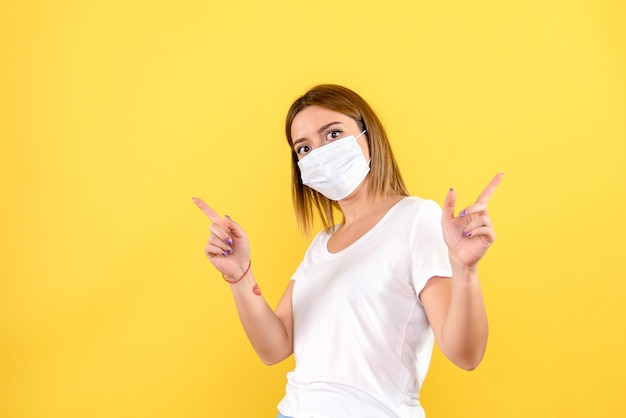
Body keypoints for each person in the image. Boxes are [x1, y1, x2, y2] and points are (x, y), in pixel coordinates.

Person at [193, 84, 503, 418]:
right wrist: (240, 276)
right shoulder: (321, 245)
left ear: (369, 137)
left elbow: (465, 355)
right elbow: (275, 347)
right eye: (304, 148)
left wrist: (465, 270)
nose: (319, 153)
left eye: (333, 134)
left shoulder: (416, 219)